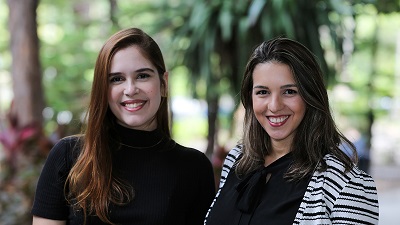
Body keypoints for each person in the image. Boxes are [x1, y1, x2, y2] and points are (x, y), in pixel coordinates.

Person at [31, 27, 215, 225]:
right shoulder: (69, 156)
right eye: (116, 79)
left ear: (163, 83)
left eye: (142, 76)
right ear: (103, 89)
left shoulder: (194, 167)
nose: (130, 89)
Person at [204, 37, 379, 225]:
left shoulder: (346, 185)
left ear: (310, 96)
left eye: (289, 92)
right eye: (262, 92)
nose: (274, 106)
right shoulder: (236, 160)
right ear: (250, 98)